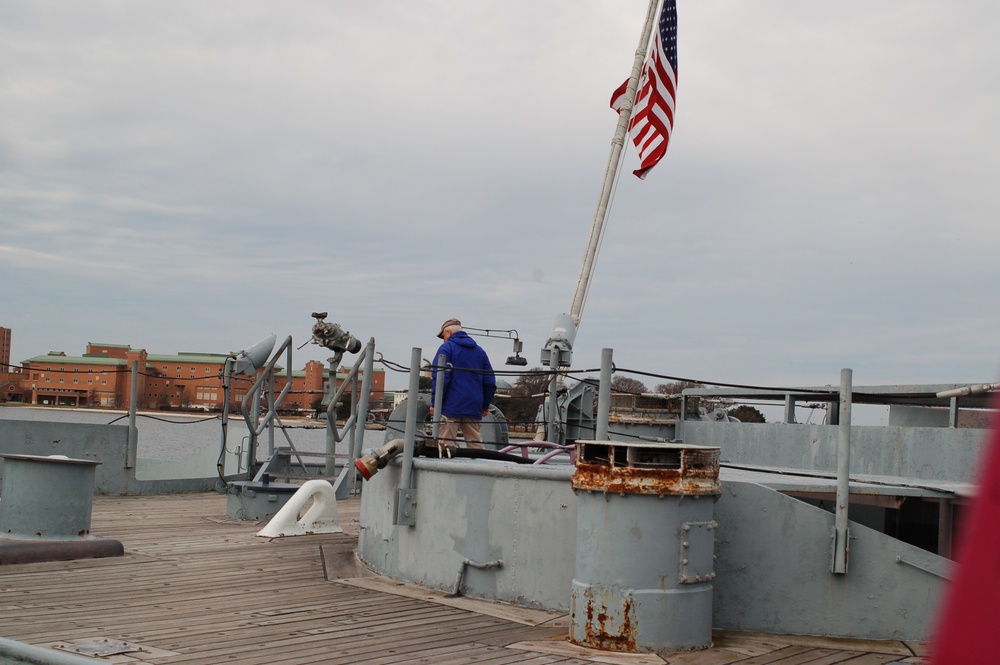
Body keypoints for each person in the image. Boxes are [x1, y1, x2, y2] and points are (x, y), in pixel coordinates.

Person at [430, 318, 496, 451]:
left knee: (445, 445)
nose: (444, 339)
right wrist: (484, 405)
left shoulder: (446, 348)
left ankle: (445, 469)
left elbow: (441, 378)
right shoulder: (480, 351)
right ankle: (480, 469)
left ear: (448, 333)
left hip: (450, 405)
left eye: (443, 336)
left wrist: (434, 403)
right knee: (476, 443)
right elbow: (489, 382)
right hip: (474, 404)